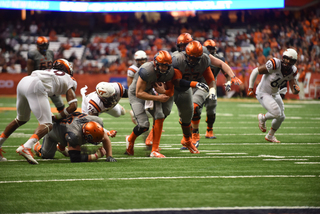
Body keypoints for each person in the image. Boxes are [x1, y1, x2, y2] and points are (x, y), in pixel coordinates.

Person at [0, 59, 78, 164]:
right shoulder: (69, 79)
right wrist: (57, 117)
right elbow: (73, 106)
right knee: (48, 124)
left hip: (24, 81)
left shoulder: (48, 71)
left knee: (21, 119)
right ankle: (26, 147)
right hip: (36, 85)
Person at [126, 50, 201, 157]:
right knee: (143, 125)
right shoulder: (146, 70)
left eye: (166, 66)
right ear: (156, 63)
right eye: (161, 65)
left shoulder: (170, 72)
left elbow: (170, 90)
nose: (164, 68)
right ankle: (130, 139)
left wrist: (163, 92)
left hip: (151, 92)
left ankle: (155, 150)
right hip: (136, 94)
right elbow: (139, 93)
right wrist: (158, 97)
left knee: (160, 115)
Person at [247, 48, 300, 143]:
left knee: (281, 116)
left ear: (294, 62)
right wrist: (250, 88)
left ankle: (270, 135)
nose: (287, 62)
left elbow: (293, 88)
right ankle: (262, 118)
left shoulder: (293, 71)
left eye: (290, 60)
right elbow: (256, 71)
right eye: (286, 59)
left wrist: (296, 90)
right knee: (276, 113)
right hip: (263, 92)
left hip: (275, 93)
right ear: (283, 58)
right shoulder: (275, 64)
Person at [33, 112, 117, 162]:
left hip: (67, 129)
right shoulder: (75, 134)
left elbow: (105, 138)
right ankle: (37, 147)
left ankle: (61, 147)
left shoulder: (96, 121)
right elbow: (75, 158)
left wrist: (109, 156)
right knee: (47, 156)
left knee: (70, 139)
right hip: (53, 131)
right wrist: (96, 156)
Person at [196, 39, 232, 141]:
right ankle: (194, 132)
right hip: (199, 86)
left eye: (211, 48)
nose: (210, 50)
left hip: (212, 87)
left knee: (211, 109)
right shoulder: (198, 58)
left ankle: (209, 130)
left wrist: (228, 81)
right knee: (195, 110)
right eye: (208, 48)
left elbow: (226, 72)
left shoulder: (218, 59)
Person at [27, 36, 65, 112]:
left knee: (60, 104)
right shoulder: (33, 54)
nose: (44, 47)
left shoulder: (50, 53)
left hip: (50, 81)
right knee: (42, 107)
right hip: (39, 82)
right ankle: (43, 122)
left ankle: (62, 121)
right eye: (42, 45)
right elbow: (30, 72)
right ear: (37, 45)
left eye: (45, 45)